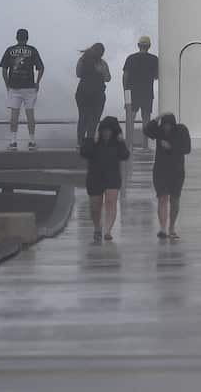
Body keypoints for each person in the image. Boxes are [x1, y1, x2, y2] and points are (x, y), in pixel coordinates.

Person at [79, 116, 129, 244]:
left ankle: (107, 231)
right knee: (95, 207)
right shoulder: (92, 141)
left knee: (111, 202)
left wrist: (122, 141)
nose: (106, 133)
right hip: (95, 177)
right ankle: (97, 227)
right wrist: (94, 141)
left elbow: (125, 155)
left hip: (112, 177)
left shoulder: (117, 142)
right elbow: (84, 153)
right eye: (104, 131)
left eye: (109, 131)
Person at [144, 112, 191, 239]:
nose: (166, 128)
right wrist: (157, 118)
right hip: (160, 170)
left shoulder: (181, 131)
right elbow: (147, 130)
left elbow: (187, 148)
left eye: (169, 125)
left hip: (177, 171)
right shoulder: (158, 131)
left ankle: (172, 227)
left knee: (175, 200)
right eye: (164, 125)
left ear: (173, 125)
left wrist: (171, 147)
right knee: (162, 198)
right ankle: (163, 229)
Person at [0, 28, 45, 151]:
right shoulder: (32, 50)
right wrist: (37, 82)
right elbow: (41, 68)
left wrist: (7, 84)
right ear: (27, 38)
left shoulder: (10, 50)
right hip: (29, 87)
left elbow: (4, 69)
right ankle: (32, 142)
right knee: (30, 115)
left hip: (14, 87)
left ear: (16, 38)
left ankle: (13, 142)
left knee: (14, 115)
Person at [121, 35, 159, 149]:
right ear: (149, 46)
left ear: (138, 45)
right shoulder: (154, 59)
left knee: (130, 117)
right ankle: (145, 144)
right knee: (146, 118)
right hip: (147, 92)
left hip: (132, 92)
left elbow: (125, 76)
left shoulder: (131, 58)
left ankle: (129, 143)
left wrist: (125, 91)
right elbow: (156, 76)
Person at [75, 43, 111, 144]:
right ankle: (89, 140)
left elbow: (78, 73)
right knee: (94, 119)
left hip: (82, 93)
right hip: (97, 94)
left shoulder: (82, 60)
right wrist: (102, 71)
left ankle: (80, 141)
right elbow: (108, 78)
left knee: (83, 117)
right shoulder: (102, 63)